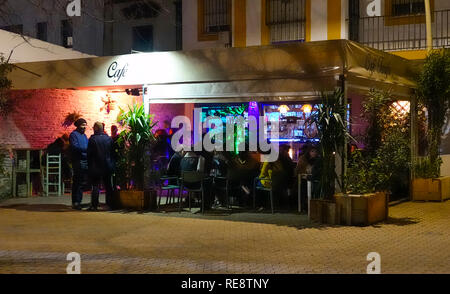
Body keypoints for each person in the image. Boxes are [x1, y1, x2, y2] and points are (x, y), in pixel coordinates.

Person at [86, 122, 114, 211]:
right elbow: (112, 152)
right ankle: (110, 204)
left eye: (93, 127)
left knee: (95, 185)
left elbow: (89, 154)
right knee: (108, 185)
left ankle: (94, 205)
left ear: (96, 128)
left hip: (96, 165)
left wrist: (89, 164)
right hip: (107, 165)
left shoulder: (92, 139)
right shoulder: (109, 139)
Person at [69, 118, 88, 210]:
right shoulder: (73, 135)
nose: (84, 127)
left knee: (81, 182)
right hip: (77, 160)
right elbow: (74, 147)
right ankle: (75, 202)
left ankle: (78, 201)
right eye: (83, 125)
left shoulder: (84, 136)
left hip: (85, 160)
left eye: (85, 125)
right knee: (77, 182)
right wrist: (86, 150)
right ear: (78, 125)